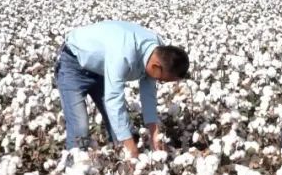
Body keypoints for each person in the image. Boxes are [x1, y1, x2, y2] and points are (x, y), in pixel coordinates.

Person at [55, 20, 190, 157]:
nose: (159, 82)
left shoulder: (159, 52)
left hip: (101, 69)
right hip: (73, 64)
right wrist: (131, 149)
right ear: (156, 67)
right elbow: (113, 100)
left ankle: (119, 168)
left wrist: (155, 135)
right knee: (80, 127)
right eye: (162, 80)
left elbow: (148, 93)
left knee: (119, 128)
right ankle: (73, 169)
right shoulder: (123, 54)